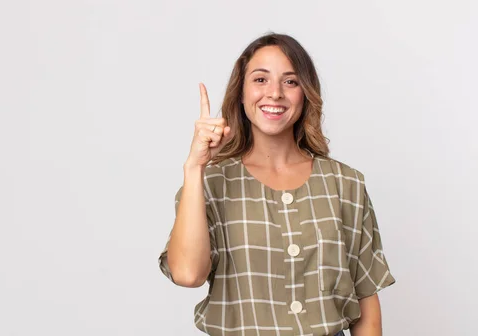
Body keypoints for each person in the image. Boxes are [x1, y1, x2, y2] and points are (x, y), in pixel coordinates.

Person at [157, 32, 396, 336]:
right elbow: (188, 274)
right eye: (260, 79)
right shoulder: (210, 184)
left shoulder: (345, 184)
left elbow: (366, 304)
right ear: (241, 93)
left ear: (305, 93)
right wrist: (194, 168)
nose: (275, 93)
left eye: (290, 81)